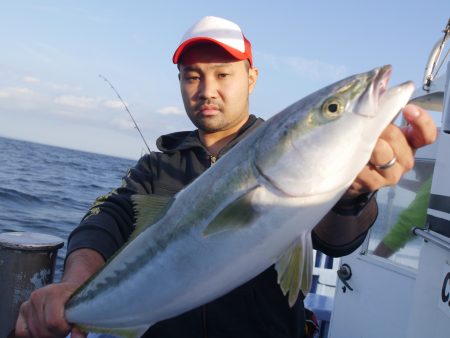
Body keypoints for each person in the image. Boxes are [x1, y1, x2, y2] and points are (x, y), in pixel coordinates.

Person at [15, 16, 437, 338]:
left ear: (251, 77)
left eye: (222, 74)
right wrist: (72, 288)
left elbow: (335, 238)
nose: (206, 89)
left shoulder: (279, 149)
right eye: (192, 76)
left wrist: (352, 195)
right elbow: (105, 221)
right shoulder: (155, 167)